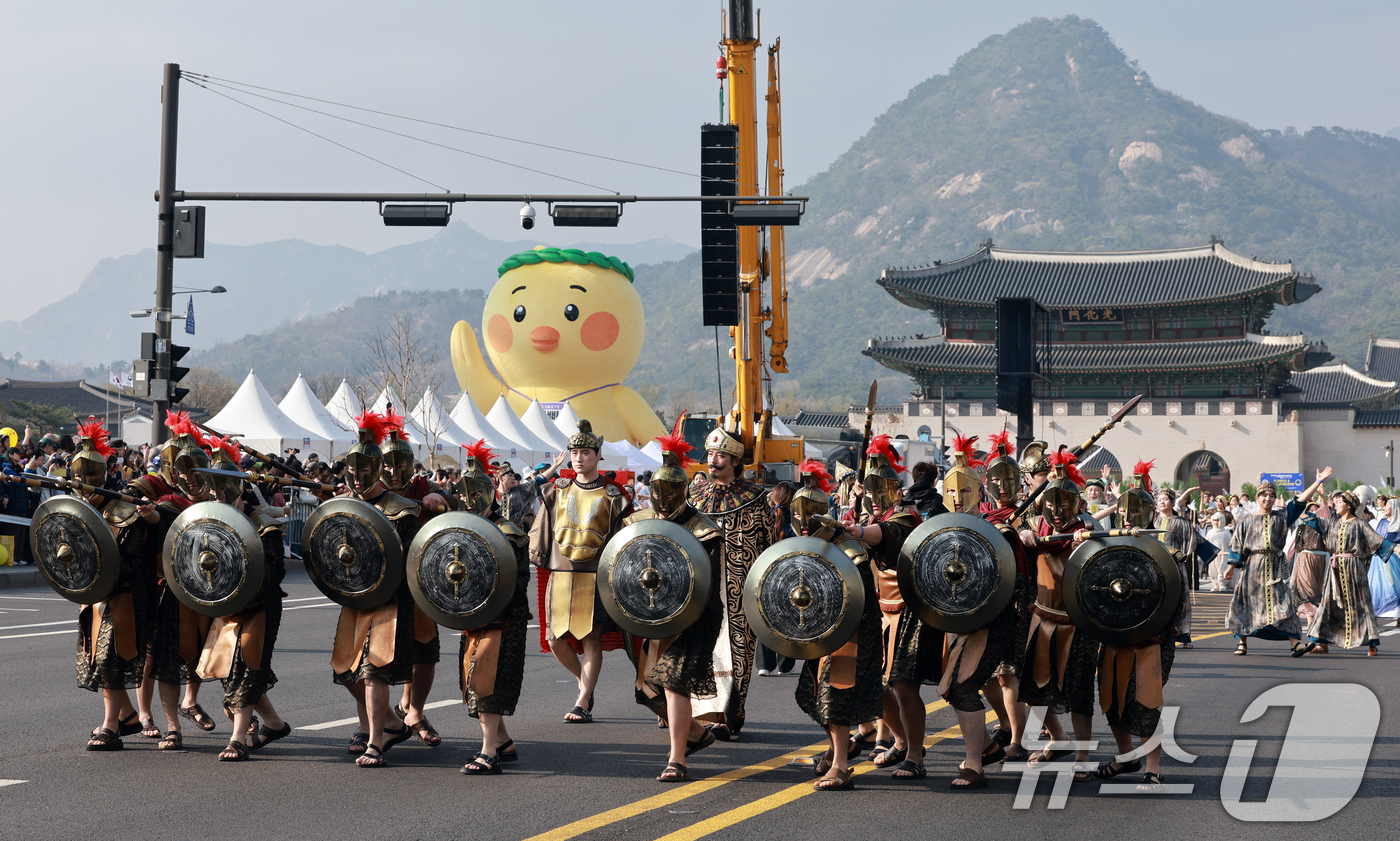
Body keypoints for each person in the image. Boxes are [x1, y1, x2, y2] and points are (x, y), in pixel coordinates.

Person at [624, 433, 726, 782]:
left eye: (672, 494)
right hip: (653, 617)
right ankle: (697, 734)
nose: (664, 502)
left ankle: (677, 759)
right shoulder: (637, 524)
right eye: (658, 494)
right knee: (646, 690)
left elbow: (705, 585)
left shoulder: (704, 530)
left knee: (672, 681)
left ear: (684, 492)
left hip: (695, 617)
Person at [846, 435, 941, 782]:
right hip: (880, 611)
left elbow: (881, 533)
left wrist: (856, 529)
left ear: (896, 491)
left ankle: (915, 755)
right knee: (874, 683)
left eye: (881, 491)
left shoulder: (905, 517)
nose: (874, 497)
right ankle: (900, 741)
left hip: (910, 612)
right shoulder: (874, 514)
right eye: (870, 492)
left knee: (903, 685)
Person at [193, 435, 292, 760]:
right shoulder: (209, 523)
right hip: (226, 604)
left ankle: (236, 739)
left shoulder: (264, 524)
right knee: (228, 669)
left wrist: (246, 588)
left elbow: (275, 570)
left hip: (260, 605)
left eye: (225, 486)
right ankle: (274, 723)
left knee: (247, 666)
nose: (219, 493)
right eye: (214, 487)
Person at [330, 411, 419, 767]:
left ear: (378, 468)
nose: (357, 475)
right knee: (344, 670)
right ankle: (392, 724)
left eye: (364, 468)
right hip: (355, 599)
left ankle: (376, 742)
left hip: (390, 601)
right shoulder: (347, 506)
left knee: (373, 670)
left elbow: (409, 562)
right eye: (352, 469)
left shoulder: (402, 509)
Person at [528, 420, 632, 723]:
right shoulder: (555, 490)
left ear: (598, 455)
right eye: (575, 451)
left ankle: (584, 699)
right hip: (561, 574)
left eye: (585, 451)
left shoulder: (615, 494)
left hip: (596, 576)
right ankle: (582, 682)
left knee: (591, 640)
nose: (579, 457)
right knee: (555, 639)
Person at [788, 459, 882, 792]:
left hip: (851, 631)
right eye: (796, 515)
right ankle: (844, 747)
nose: (801, 523)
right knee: (811, 694)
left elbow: (854, 597)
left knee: (835, 694)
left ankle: (841, 766)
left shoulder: (847, 546)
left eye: (807, 515)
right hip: (819, 630)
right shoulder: (805, 544)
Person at [67, 420, 161, 752]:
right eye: (78, 478)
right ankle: (127, 716)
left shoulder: (124, 505)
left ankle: (111, 726)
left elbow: (134, 555)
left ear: (105, 473)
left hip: (124, 594)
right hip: (93, 594)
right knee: (99, 659)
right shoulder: (76, 508)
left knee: (109, 657)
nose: (84, 483)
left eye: (90, 476)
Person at [686, 426, 776, 740]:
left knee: (737, 649)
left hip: (740, 585)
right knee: (703, 648)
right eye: (710, 454)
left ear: (735, 460)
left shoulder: (755, 498)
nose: (713, 460)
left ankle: (728, 713)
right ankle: (698, 713)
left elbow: (769, 543)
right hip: (702, 585)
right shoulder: (694, 495)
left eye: (720, 455)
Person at [1016, 448, 1098, 778]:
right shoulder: (1036, 524)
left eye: (1063, 502)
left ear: (1075, 502)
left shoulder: (1087, 526)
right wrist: (1023, 535)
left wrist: (1084, 543)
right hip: (1041, 615)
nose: (1056, 508)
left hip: (1077, 622)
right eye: (1051, 502)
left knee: (1078, 691)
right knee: (1032, 688)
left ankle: (1082, 755)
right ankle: (1058, 738)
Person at [455, 441, 532, 775]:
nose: (471, 501)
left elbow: (516, 581)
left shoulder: (509, 533)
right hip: (473, 616)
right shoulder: (458, 529)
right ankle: (502, 741)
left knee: (487, 682)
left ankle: (489, 752)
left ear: (490, 494)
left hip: (503, 618)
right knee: (472, 681)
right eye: (465, 495)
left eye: (477, 494)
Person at [380, 410, 447, 750]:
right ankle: (373, 726)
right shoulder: (370, 492)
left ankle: (413, 710)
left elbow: (447, 505)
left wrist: (438, 500)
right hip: (381, 588)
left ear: (411, 464)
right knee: (369, 659)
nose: (393, 471)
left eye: (399, 464)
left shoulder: (423, 488)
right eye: (386, 465)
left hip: (418, 584)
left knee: (424, 652)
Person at [974, 431, 1034, 764]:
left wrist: (1026, 531)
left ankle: (1017, 739)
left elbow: (1038, 534)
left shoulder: (1028, 513)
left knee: (1009, 673)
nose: (1003, 486)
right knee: (986, 674)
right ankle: (1007, 724)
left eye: (1008, 479)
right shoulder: (984, 516)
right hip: (989, 601)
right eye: (997, 480)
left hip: (1019, 601)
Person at [1226, 471, 1328, 655]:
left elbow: (1299, 501)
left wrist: (1318, 481)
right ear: (1257, 498)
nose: (1268, 498)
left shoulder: (1281, 516)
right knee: (1245, 602)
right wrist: (1231, 567)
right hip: (1252, 567)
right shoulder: (1246, 521)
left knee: (1285, 603)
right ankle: (1242, 642)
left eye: (1271, 496)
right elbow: (1237, 545)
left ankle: (1295, 644)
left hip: (1276, 567)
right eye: (1264, 495)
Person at [1297, 489, 1395, 656]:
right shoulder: (1331, 523)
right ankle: (1320, 643)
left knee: (1361, 605)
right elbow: (1304, 514)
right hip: (1335, 569)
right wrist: (1317, 486)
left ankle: (1372, 644)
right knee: (1328, 605)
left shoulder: (1360, 524)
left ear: (1349, 506)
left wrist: (1397, 549)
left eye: (1339, 502)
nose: (1336, 504)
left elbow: (1378, 542)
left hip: (1354, 568)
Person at [1153, 487, 1199, 648]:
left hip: (1175, 566)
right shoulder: (1152, 521)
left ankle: (1183, 635)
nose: (1162, 502)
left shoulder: (1182, 523)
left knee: (1179, 600)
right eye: (1159, 500)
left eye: (1165, 499)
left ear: (1173, 502)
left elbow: (1195, 540)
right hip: (1154, 567)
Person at [1203, 512, 1233, 592]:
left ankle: (1222, 585)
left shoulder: (1226, 532)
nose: (1216, 522)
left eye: (1218, 520)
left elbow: (1230, 543)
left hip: (1224, 555)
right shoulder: (1210, 532)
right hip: (1213, 555)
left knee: (1222, 570)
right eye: (1214, 520)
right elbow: (1207, 543)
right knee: (1213, 571)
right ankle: (1216, 585)